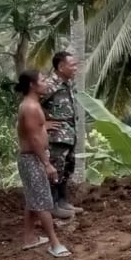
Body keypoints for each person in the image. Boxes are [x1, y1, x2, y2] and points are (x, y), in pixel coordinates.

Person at [15, 71, 70, 258]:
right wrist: (46, 163)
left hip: (32, 158)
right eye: (43, 80)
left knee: (34, 198)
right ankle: (55, 244)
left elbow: (32, 130)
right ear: (32, 85)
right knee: (43, 202)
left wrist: (43, 127)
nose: (46, 83)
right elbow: (33, 139)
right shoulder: (30, 107)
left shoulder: (30, 105)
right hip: (32, 158)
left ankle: (29, 238)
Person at [39, 50, 83, 220]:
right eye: (72, 65)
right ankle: (53, 205)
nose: (75, 68)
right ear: (61, 66)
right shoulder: (50, 84)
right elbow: (31, 104)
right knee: (55, 170)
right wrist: (43, 124)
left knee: (66, 169)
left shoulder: (67, 84)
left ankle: (63, 201)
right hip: (56, 137)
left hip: (69, 135)